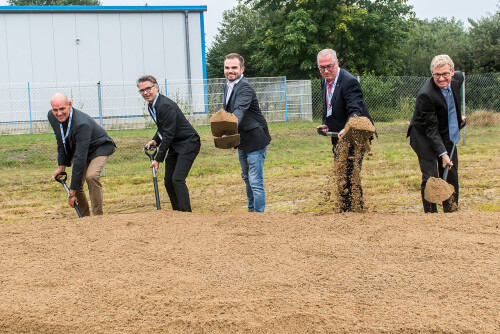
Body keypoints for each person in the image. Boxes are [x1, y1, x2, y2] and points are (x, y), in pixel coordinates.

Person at [315, 48, 374, 212]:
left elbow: (355, 110)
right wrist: (326, 122)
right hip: (338, 134)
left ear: (337, 63)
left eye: (329, 66)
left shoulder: (349, 81)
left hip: (356, 134)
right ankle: (345, 207)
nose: (326, 71)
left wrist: (347, 128)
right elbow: (329, 104)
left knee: (350, 173)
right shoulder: (325, 80)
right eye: (322, 67)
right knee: (341, 172)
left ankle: (355, 209)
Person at [407, 54, 466, 213]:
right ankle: (431, 215)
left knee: (451, 171)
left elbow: (449, 104)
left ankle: (451, 209)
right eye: (437, 75)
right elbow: (431, 129)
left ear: (452, 72)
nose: (441, 78)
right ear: (432, 73)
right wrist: (442, 154)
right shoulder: (426, 94)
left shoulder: (458, 80)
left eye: (445, 74)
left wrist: (457, 117)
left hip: (446, 131)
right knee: (431, 176)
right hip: (423, 135)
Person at [138, 75, 201, 212]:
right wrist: (155, 139)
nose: (145, 92)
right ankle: (177, 213)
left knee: (177, 179)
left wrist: (158, 159)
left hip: (188, 142)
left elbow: (169, 134)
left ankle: (186, 215)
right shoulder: (152, 106)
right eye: (142, 90)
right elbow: (163, 128)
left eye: (148, 88)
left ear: (156, 87)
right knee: (168, 181)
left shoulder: (165, 105)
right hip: (175, 144)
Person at [48, 92, 115, 216]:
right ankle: (85, 217)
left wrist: (71, 193)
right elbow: (61, 141)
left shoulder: (81, 123)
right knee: (75, 181)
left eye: (62, 109)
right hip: (80, 147)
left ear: (69, 105)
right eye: (55, 110)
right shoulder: (53, 117)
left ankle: (97, 217)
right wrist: (61, 167)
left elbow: (80, 158)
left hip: (98, 148)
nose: (59, 113)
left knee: (91, 176)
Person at [223, 53, 271, 212]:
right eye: (227, 67)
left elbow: (239, 110)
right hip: (242, 140)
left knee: (255, 181)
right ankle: (251, 213)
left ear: (242, 69)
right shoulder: (229, 85)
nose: (230, 71)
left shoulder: (244, 87)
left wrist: (228, 129)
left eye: (234, 68)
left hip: (255, 138)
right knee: (247, 178)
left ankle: (258, 215)